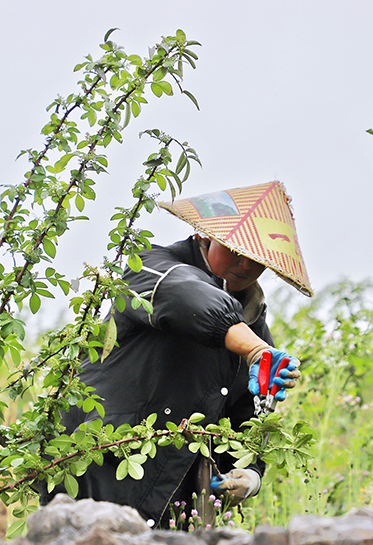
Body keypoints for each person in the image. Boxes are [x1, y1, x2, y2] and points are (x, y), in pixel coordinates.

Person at [47, 181, 312, 526]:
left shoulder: (254, 325)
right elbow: (188, 295)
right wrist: (257, 350)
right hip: (99, 478)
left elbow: (244, 423)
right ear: (204, 235)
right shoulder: (150, 267)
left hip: (173, 509)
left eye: (258, 260)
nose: (246, 265)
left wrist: (248, 476)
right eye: (235, 250)